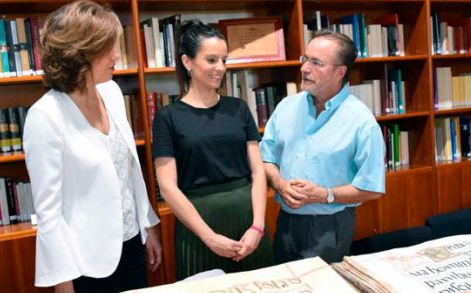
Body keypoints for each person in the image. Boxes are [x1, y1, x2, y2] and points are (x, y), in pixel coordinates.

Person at [23, 0, 162, 293]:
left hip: (132, 246)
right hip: (85, 261)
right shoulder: (46, 116)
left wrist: (148, 226)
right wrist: (63, 283)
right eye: (108, 48)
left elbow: (130, 171)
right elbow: (48, 210)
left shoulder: (111, 93)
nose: (116, 55)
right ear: (80, 52)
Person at [152, 20, 273, 279]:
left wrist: (258, 227)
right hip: (198, 227)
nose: (220, 68)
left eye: (224, 60)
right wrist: (209, 237)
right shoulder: (167, 117)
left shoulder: (239, 108)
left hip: (248, 221)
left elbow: (258, 172)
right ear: (187, 62)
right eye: (211, 60)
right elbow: (168, 187)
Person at [260, 31, 385, 263]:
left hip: (329, 225)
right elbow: (266, 158)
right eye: (305, 59)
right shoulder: (287, 106)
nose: (305, 68)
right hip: (285, 220)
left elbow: (372, 187)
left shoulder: (361, 122)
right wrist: (279, 184)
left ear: (340, 72)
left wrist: (324, 194)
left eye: (316, 63)